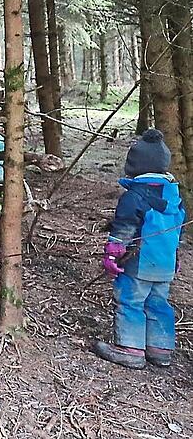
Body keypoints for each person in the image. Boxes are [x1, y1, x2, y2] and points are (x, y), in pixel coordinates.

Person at [92, 129, 185, 369]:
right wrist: (175, 257)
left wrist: (112, 254)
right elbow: (178, 231)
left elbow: (123, 229)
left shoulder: (134, 196)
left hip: (138, 261)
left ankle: (130, 348)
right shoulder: (175, 197)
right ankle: (160, 348)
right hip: (164, 263)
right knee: (158, 302)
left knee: (130, 301)